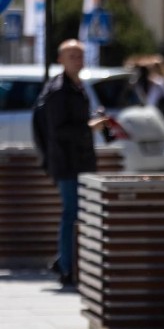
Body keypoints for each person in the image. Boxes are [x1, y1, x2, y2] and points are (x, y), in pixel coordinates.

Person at [38, 39, 107, 286]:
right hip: (67, 162)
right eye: (72, 56)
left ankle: (64, 260)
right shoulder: (59, 90)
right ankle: (66, 266)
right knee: (71, 213)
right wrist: (89, 127)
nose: (78, 60)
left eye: (80, 55)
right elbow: (58, 130)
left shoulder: (78, 86)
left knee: (78, 212)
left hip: (82, 160)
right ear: (61, 60)